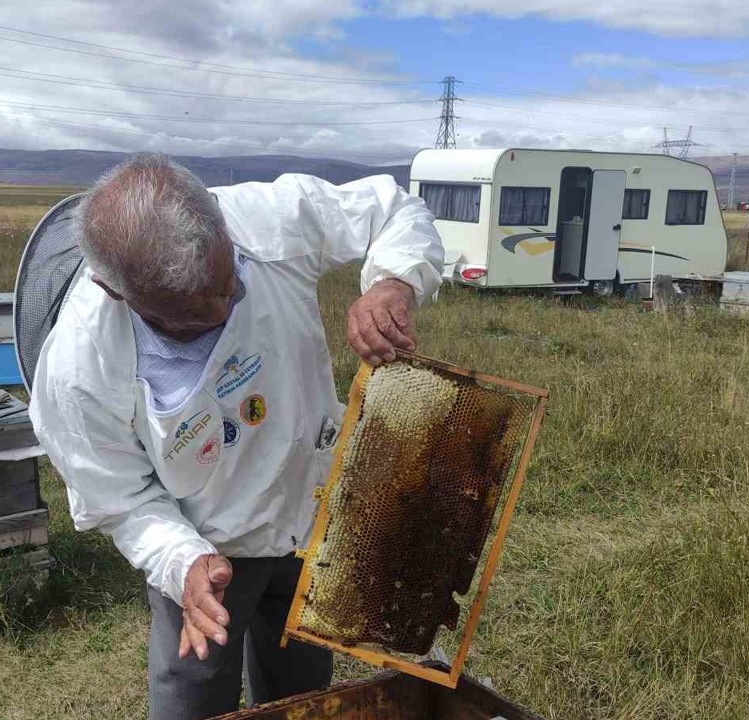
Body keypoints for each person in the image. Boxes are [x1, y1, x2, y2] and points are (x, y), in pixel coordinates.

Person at [28, 154, 444, 719]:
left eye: (230, 287)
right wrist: (182, 562)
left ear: (222, 225)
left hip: (310, 512)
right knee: (193, 698)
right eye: (192, 315)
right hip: (206, 551)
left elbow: (394, 209)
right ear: (113, 290)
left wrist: (393, 283)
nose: (226, 308)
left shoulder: (267, 218)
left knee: (301, 692)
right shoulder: (79, 369)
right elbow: (118, 498)